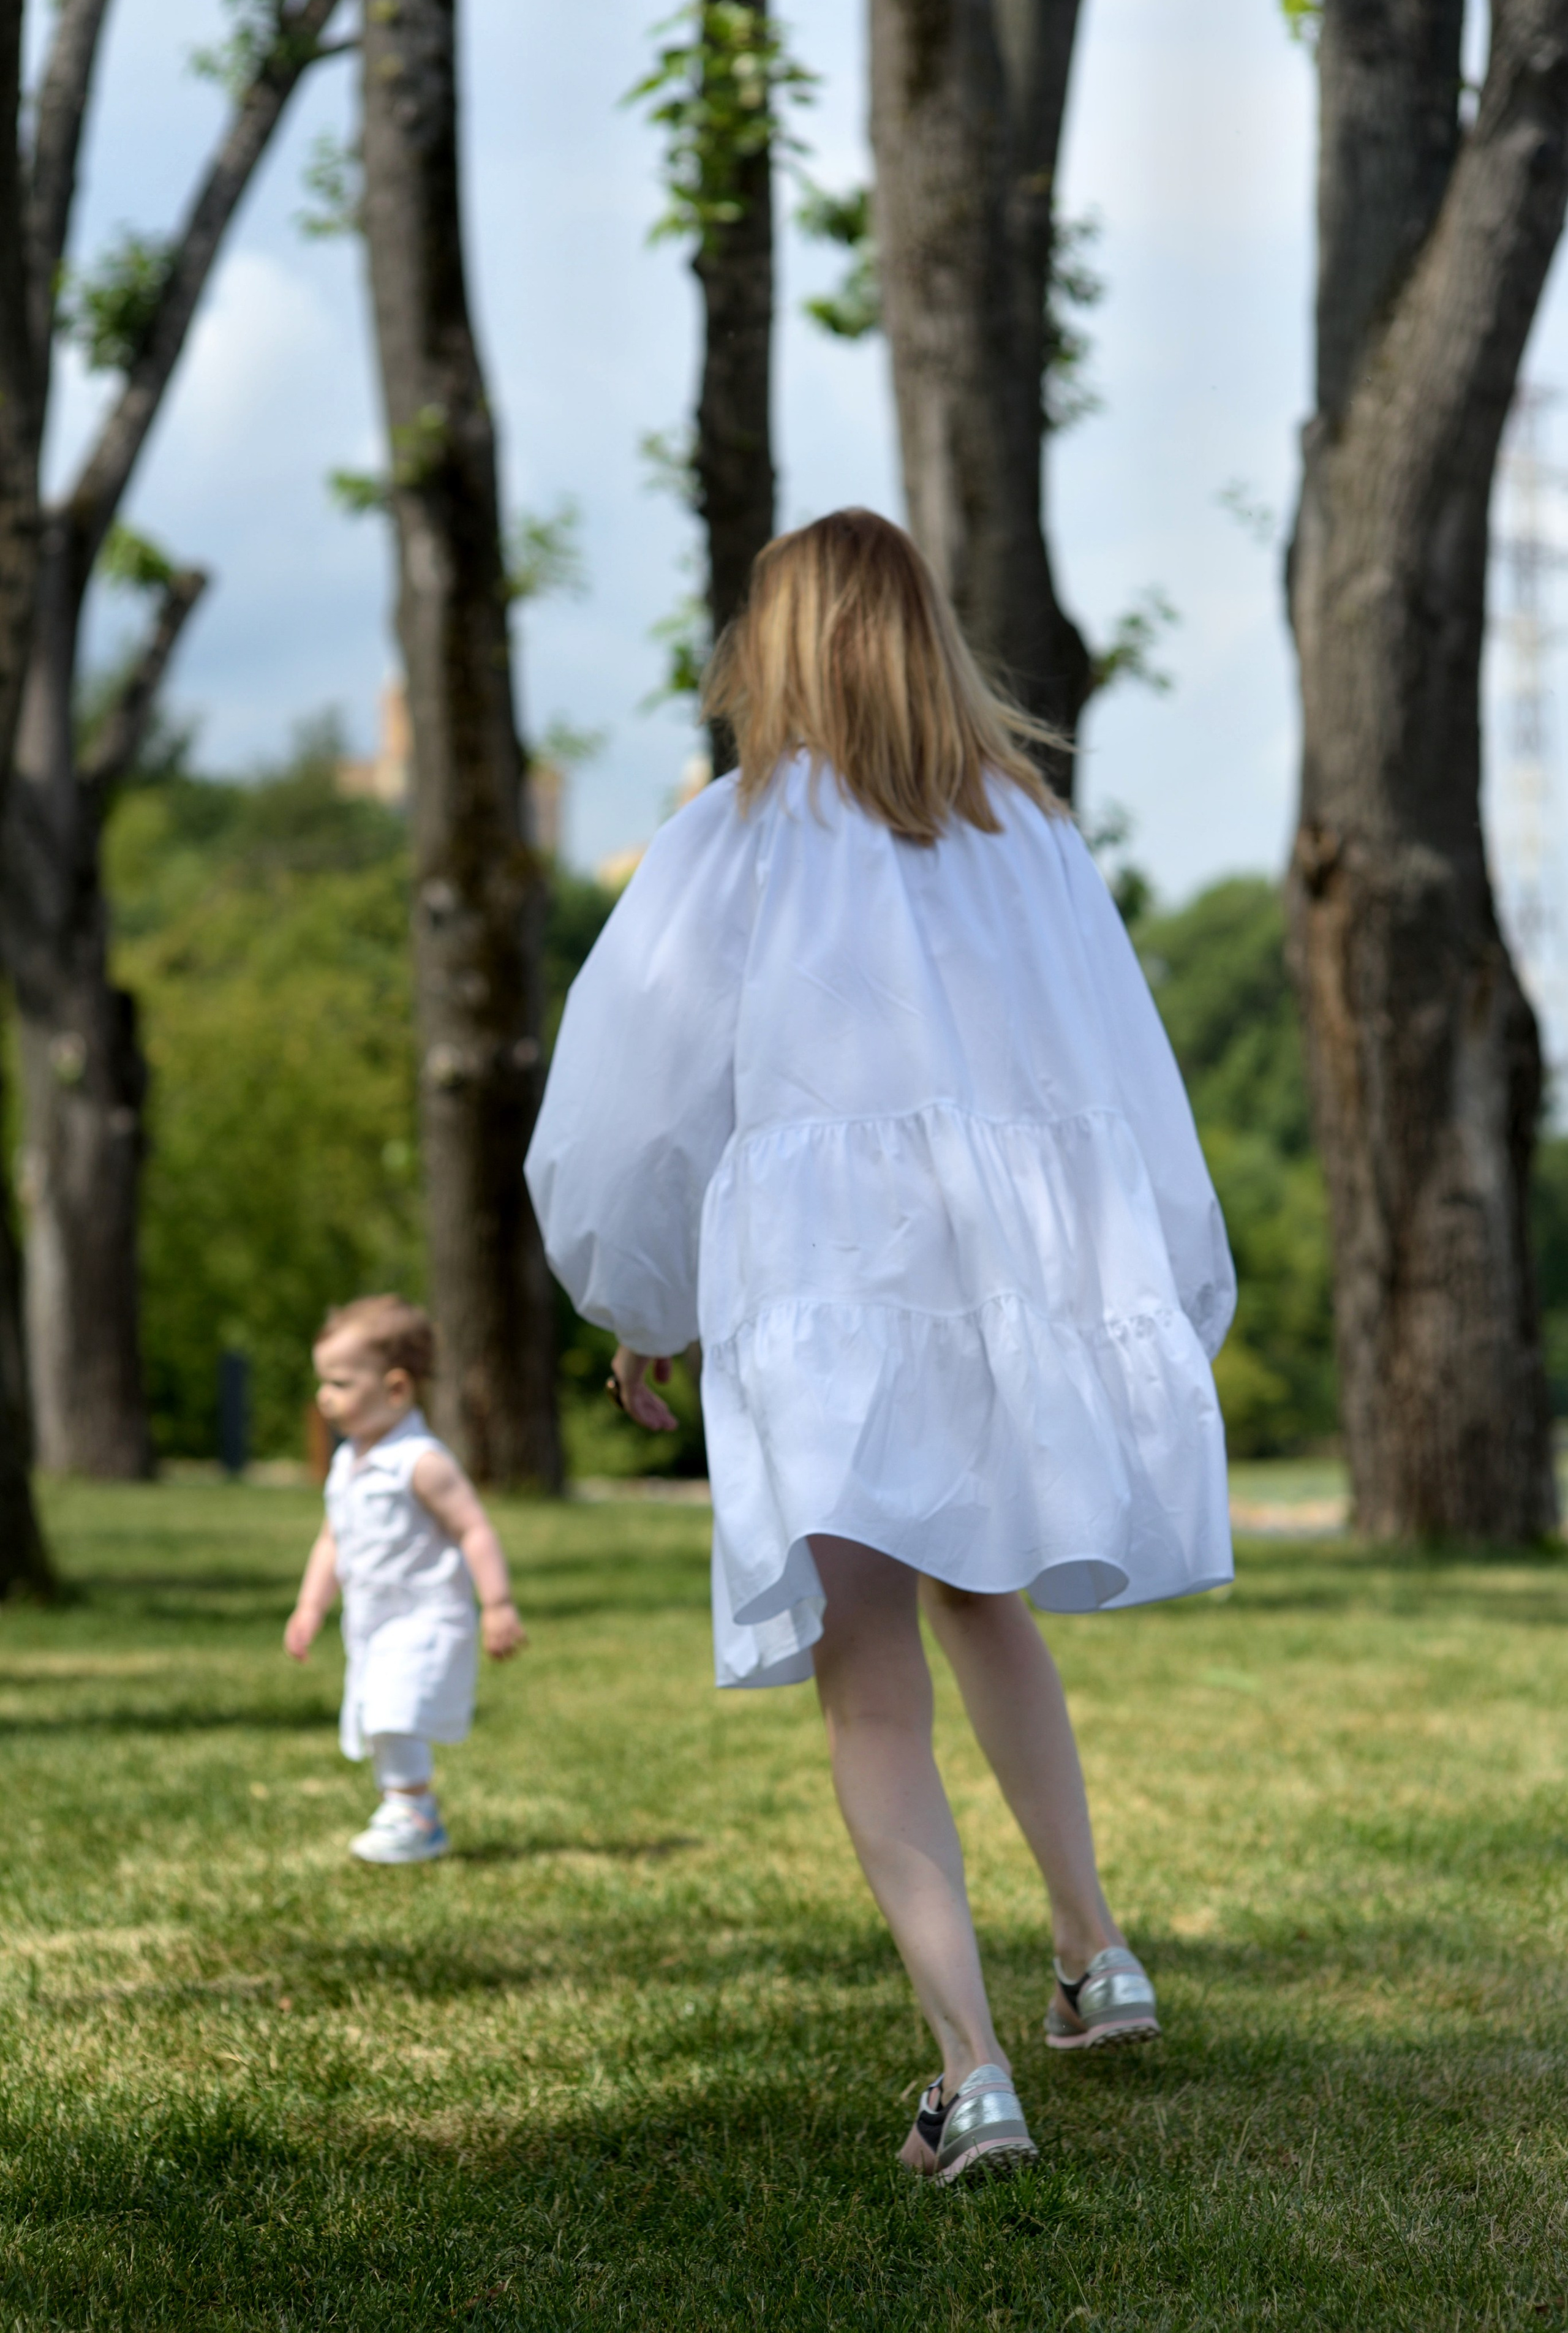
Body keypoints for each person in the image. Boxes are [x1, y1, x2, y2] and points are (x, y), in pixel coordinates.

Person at [526, 509, 1235, 2184]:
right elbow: (1123, 1072)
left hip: (831, 1277)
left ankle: (971, 2070)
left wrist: (645, 1297)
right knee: (980, 1592)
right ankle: (1095, 1947)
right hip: (1002, 1275)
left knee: (866, 1680)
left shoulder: (740, 833)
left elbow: (635, 1092)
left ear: (769, 651)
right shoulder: (1035, 832)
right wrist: (1150, 1287)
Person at [284, 1295, 527, 1864]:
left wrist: (498, 1603)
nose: (325, 1397)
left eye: (340, 1382)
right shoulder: (348, 1463)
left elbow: (473, 1528)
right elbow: (332, 1539)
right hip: (373, 1619)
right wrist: (310, 1606)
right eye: (323, 1382)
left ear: (395, 1389)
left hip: (425, 1616)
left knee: (394, 1710)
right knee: (375, 1715)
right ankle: (406, 1807)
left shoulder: (421, 1461)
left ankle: (413, 1813)